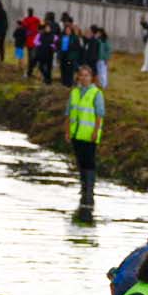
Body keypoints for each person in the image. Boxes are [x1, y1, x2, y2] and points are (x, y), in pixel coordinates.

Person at [65, 64, 104, 209]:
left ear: (91, 77)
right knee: (80, 161)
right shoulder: (74, 92)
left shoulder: (96, 93)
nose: (83, 78)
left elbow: (99, 114)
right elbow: (68, 113)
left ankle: (89, 190)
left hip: (89, 134)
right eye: (81, 75)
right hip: (76, 134)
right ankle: (83, 187)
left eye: (86, 75)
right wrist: (67, 131)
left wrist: (95, 131)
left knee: (89, 161)